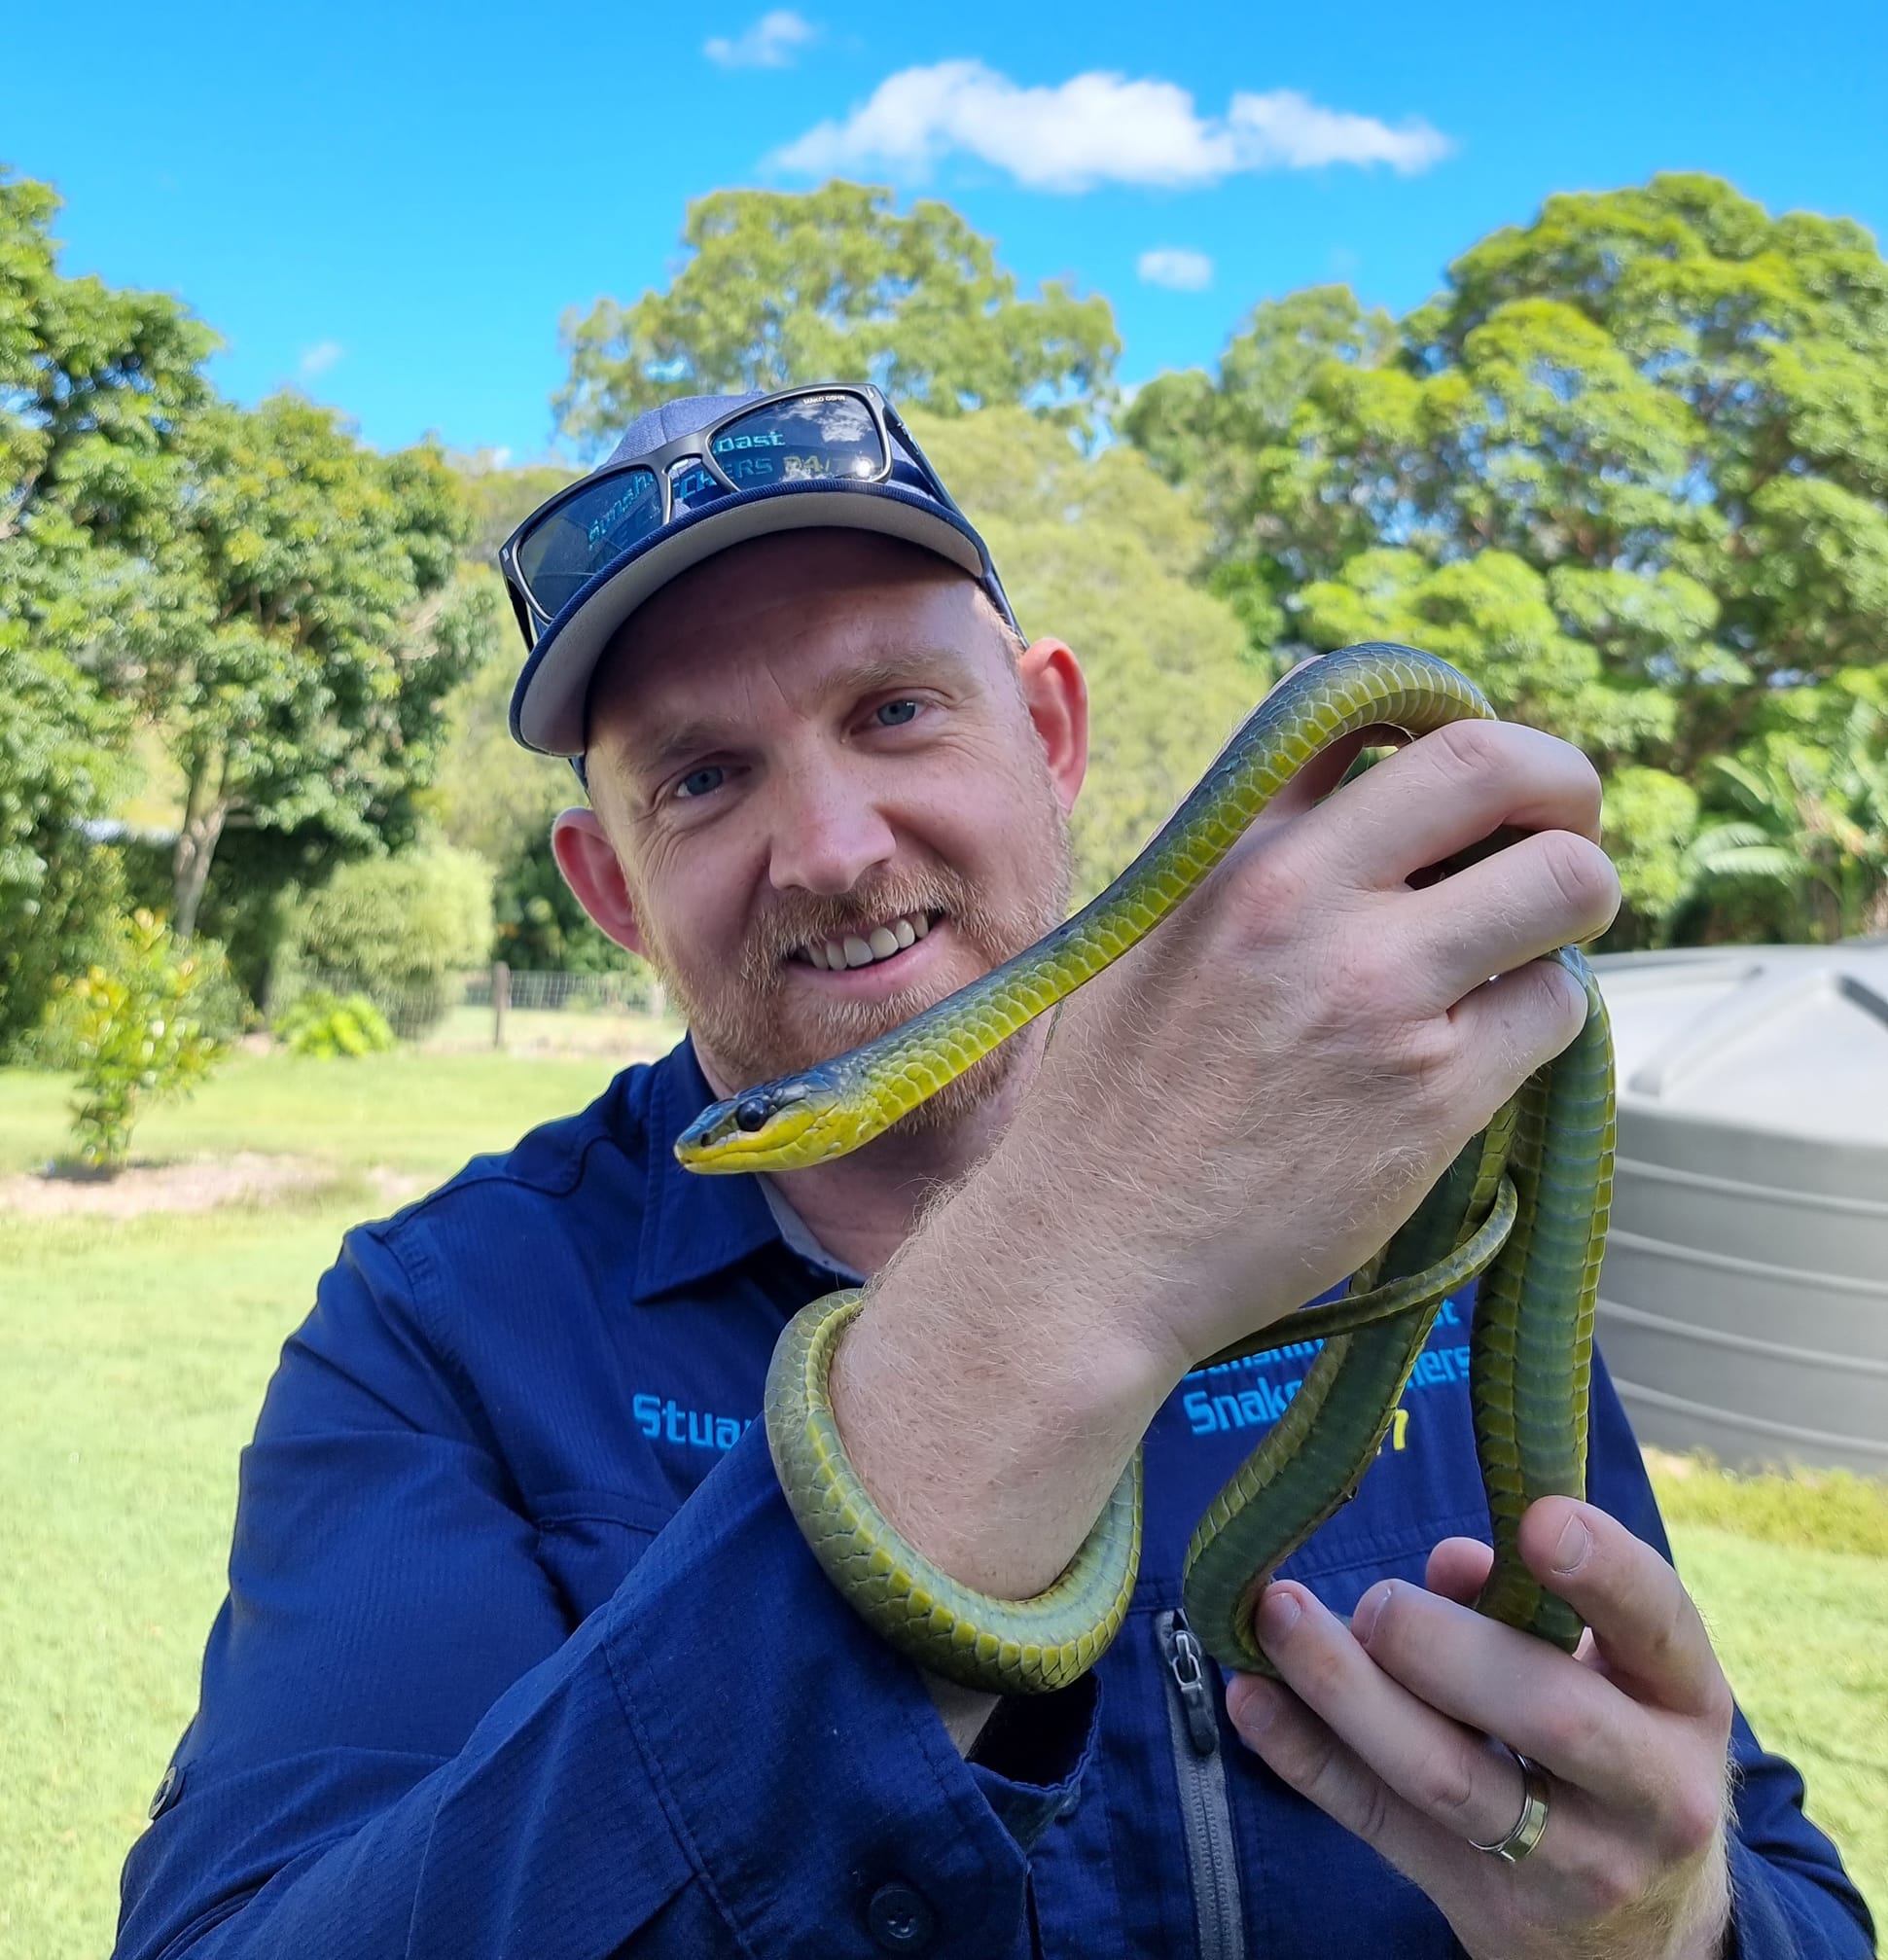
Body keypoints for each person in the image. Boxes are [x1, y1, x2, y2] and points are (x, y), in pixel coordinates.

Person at [116, 384, 1875, 1960]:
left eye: (892, 711)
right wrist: (1070, 1272)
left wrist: (1677, 1925)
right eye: (704, 777)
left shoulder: (1411, 1186)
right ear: (603, 884)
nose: (827, 848)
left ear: (1048, 734)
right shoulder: (441, 1330)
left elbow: (1764, 1858)